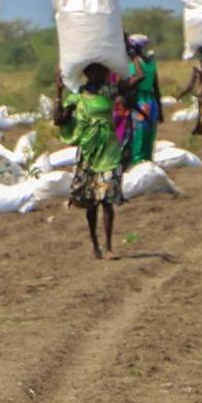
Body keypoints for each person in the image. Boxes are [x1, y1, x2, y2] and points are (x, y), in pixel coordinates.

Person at [53, 64, 128, 260]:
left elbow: (137, 78)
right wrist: (58, 92)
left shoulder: (109, 91)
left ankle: (110, 246)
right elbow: (59, 120)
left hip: (109, 149)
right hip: (88, 151)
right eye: (98, 71)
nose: (102, 74)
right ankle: (95, 243)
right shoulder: (77, 96)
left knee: (107, 199)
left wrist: (132, 54)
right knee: (92, 201)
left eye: (104, 70)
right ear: (87, 73)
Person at [125, 34, 162, 164]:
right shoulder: (151, 63)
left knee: (138, 136)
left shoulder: (135, 65)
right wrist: (160, 110)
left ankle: (138, 163)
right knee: (149, 136)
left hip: (140, 102)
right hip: (152, 102)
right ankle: (148, 162)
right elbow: (156, 87)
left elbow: (133, 88)